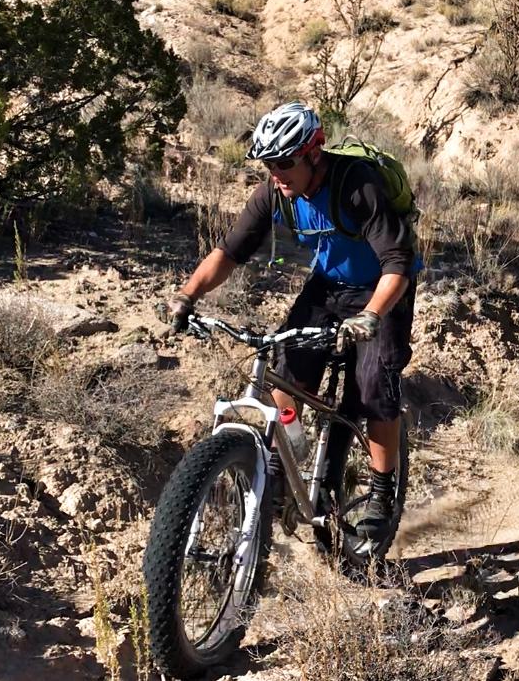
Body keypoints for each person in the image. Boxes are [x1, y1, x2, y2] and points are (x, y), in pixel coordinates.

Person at [165, 102, 420, 542]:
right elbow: (229, 253)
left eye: (284, 163)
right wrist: (187, 294)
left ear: (313, 154)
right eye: (269, 165)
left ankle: (381, 493)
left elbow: (397, 262)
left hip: (382, 287)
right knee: (287, 374)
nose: (276, 173)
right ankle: (283, 468)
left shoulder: (357, 185)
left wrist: (372, 315)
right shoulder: (274, 194)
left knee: (375, 386)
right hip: (328, 286)